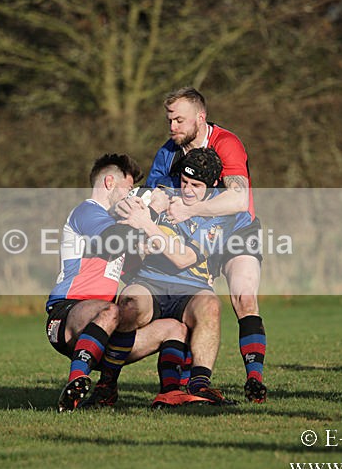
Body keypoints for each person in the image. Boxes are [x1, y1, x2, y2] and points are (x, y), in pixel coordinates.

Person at [140, 87, 268, 404]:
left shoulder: (226, 143)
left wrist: (191, 209)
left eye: (179, 120)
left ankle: (254, 380)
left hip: (237, 230)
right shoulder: (168, 152)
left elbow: (238, 199)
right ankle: (187, 386)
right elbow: (152, 195)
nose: (173, 127)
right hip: (195, 234)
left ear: (200, 117)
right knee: (191, 305)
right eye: (170, 120)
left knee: (244, 297)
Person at [102, 147, 241, 407]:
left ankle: (200, 386)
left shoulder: (220, 216)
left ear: (212, 185)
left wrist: (147, 224)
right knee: (129, 304)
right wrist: (130, 207)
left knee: (211, 305)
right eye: (184, 182)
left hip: (191, 288)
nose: (187, 190)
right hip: (150, 280)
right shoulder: (162, 194)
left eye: (196, 185)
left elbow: (183, 258)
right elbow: (115, 210)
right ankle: (106, 384)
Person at [45, 153, 144, 412]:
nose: (130, 196)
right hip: (65, 311)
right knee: (111, 310)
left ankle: (175, 393)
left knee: (172, 328)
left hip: (102, 324)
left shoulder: (115, 224)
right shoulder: (87, 211)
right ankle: (76, 381)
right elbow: (114, 240)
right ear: (110, 182)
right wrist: (146, 212)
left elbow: (136, 271)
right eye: (128, 189)